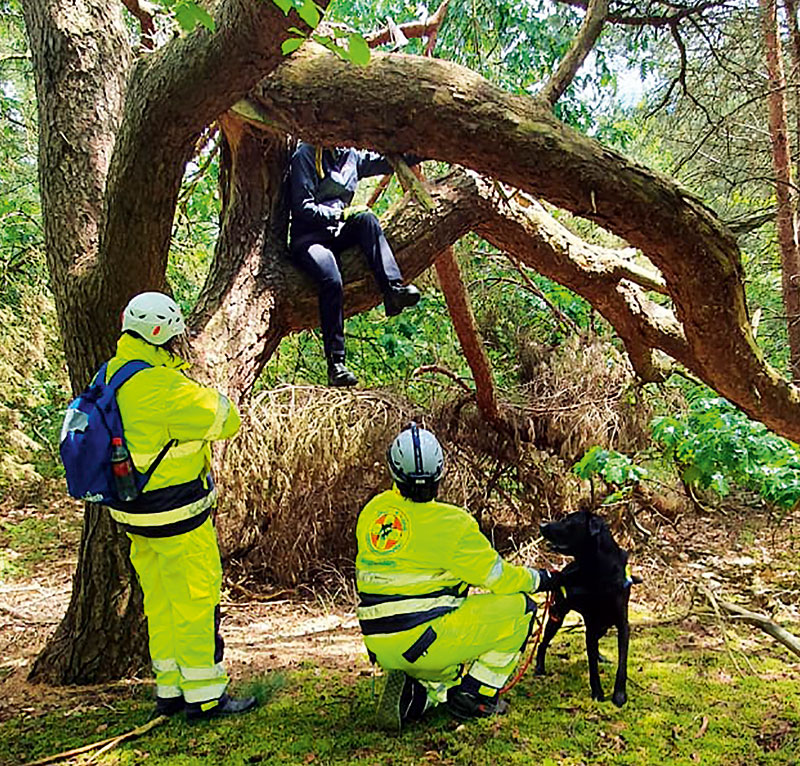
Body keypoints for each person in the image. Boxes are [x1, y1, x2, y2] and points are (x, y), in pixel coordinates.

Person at [105, 291, 256, 721]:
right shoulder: (163, 386)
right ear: (163, 334)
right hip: (177, 516)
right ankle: (206, 696)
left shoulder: (112, 375)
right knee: (194, 600)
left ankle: (169, 690)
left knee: (162, 602)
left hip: (135, 516)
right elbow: (227, 419)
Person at [355, 423, 562, 731]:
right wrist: (542, 579)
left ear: (393, 473)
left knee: (446, 666)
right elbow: (500, 579)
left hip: (378, 641)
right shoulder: (452, 524)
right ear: (440, 474)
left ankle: (418, 695)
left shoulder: (374, 511)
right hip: (424, 637)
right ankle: (476, 695)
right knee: (522, 610)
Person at [288, 142, 422, 387]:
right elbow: (302, 208)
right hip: (309, 239)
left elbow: (385, 161)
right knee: (332, 280)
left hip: (338, 233)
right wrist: (339, 215)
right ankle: (336, 364)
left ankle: (393, 291)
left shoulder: (351, 155)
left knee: (367, 219)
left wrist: (427, 147)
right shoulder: (305, 155)